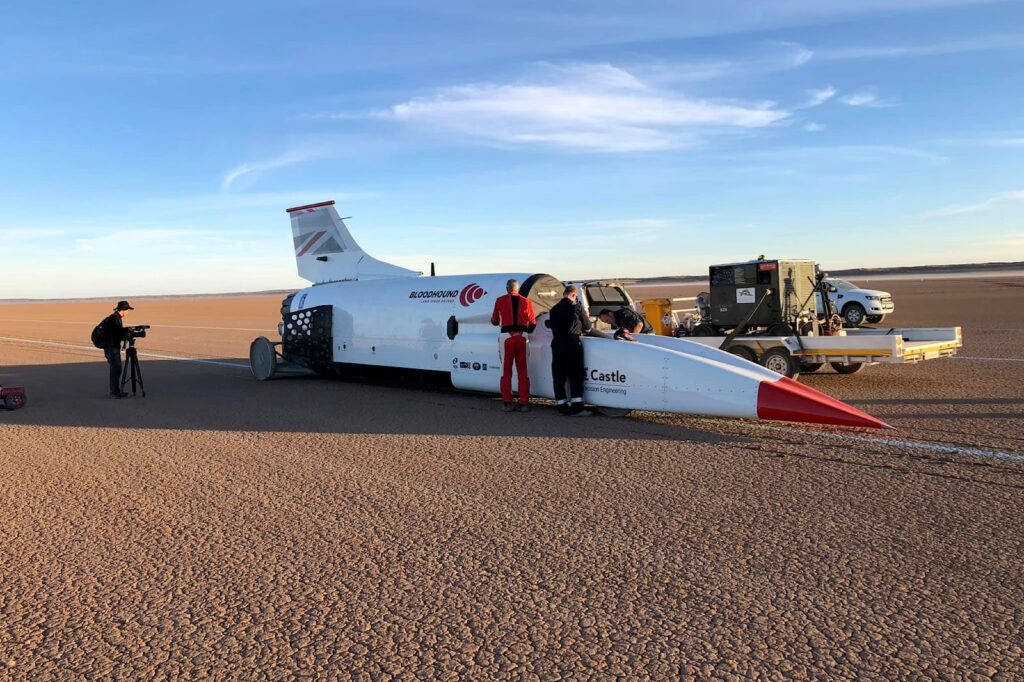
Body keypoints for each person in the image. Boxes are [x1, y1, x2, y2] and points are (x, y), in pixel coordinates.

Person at [547, 285, 594, 417]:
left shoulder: (553, 309)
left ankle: (561, 405)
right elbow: (588, 327)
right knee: (575, 375)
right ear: (574, 295)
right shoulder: (576, 308)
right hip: (572, 343)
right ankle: (577, 407)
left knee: (558, 375)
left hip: (557, 344)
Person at [490, 279, 536, 412]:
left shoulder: (500, 300)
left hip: (506, 337)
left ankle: (507, 402)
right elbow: (532, 323)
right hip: (522, 337)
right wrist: (526, 332)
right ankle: (524, 403)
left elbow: (494, 320)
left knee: (506, 370)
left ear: (507, 288)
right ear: (518, 289)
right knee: (523, 370)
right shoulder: (527, 302)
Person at [100, 300, 133, 398]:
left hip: (112, 347)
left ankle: (115, 391)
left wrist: (126, 330)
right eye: (128, 310)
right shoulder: (114, 319)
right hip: (111, 347)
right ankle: (114, 392)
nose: (128, 312)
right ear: (123, 310)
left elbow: (116, 332)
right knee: (116, 369)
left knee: (116, 369)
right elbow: (116, 333)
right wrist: (125, 332)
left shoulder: (116, 318)